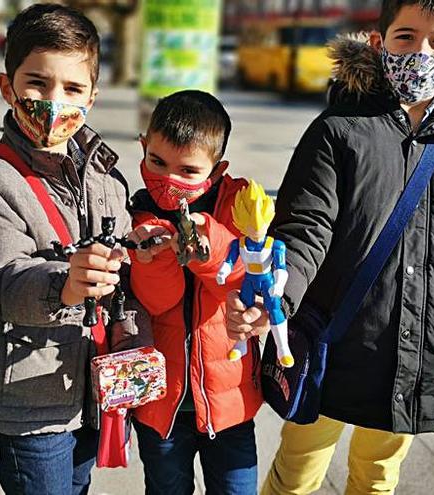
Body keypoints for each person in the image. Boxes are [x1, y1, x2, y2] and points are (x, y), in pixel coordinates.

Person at [227, 0, 434, 493]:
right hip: (336, 344)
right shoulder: (339, 131)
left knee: (379, 476)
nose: (421, 52)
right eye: (406, 37)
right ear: (379, 43)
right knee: (297, 472)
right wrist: (280, 292)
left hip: (423, 350)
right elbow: (305, 227)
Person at [0, 4, 149, 494]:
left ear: (92, 97)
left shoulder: (106, 173)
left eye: (73, 89)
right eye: (37, 83)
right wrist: (65, 284)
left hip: (94, 384)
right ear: (7, 86)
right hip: (30, 397)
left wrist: (139, 251)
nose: (53, 102)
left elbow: (125, 256)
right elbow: (2, 280)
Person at [125, 90, 263, 495]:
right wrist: (154, 257)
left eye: (188, 171)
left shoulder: (239, 203)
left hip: (229, 400)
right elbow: (156, 301)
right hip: (160, 404)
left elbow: (244, 274)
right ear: (144, 147)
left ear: (216, 170)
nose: (169, 179)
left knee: (237, 488)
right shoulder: (136, 210)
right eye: (157, 162)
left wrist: (209, 247)